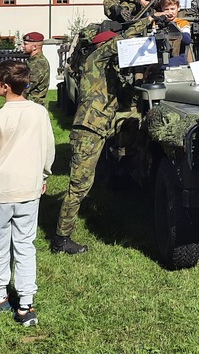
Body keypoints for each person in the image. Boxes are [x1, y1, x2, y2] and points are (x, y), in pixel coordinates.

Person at [52, 19, 154, 254]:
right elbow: (120, 43)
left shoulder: (106, 72)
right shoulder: (95, 60)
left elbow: (125, 94)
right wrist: (146, 22)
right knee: (79, 187)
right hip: (88, 130)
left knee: (84, 184)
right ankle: (61, 239)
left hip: (100, 128)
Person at [0, 60, 55, 328]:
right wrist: (44, 173)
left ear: (5, 87)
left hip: (2, 191)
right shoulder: (39, 113)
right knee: (26, 245)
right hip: (29, 187)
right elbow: (47, 146)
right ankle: (26, 304)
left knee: (1, 244)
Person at [21, 32, 49, 107]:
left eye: (25, 44)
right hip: (29, 104)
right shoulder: (32, 61)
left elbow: (26, 87)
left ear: (34, 47)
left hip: (33, 106)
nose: (22, 46)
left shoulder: (38, 64)